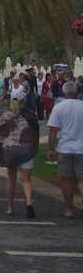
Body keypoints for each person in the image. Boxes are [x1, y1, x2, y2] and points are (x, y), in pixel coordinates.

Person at [0, 89, 39, 218]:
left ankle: (10, 207)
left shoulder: (6, 116)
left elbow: (1, 135)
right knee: (26, 180)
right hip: (27, 148)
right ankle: (28, 203)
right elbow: (36, 134)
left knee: (11, 178)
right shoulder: (31, 116)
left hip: (11, 149)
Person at [46, 81, 83, 218]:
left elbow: (53, 130)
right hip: (81, 148)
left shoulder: (59, 107)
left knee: (66, 180)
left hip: (65, 147)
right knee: (81, 179)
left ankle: (69, 209)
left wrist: (51, 148)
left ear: (64, 92)